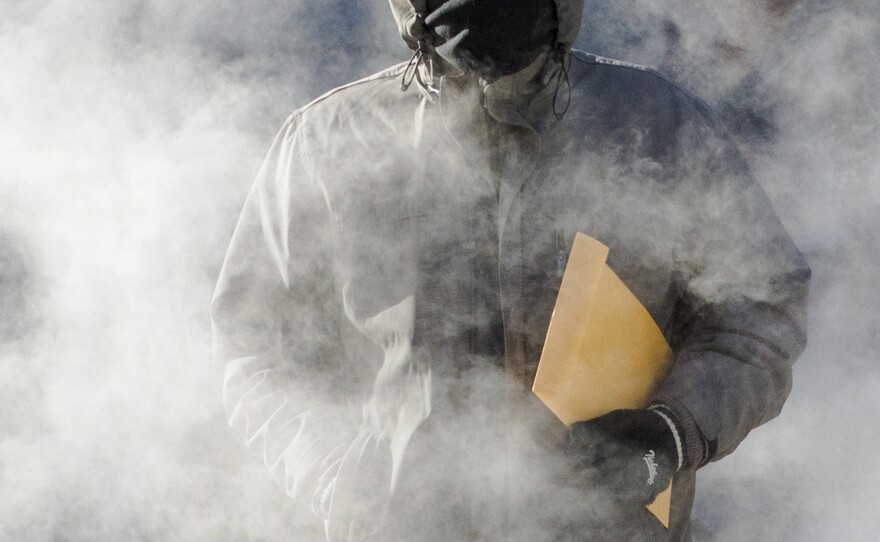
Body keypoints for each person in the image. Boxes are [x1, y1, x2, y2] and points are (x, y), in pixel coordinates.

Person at [211, 1, 810, 540]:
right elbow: (258, 349)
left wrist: (667, 435)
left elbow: (759, 311)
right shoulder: (329, 141)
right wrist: (339, 477)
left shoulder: (656, 123)